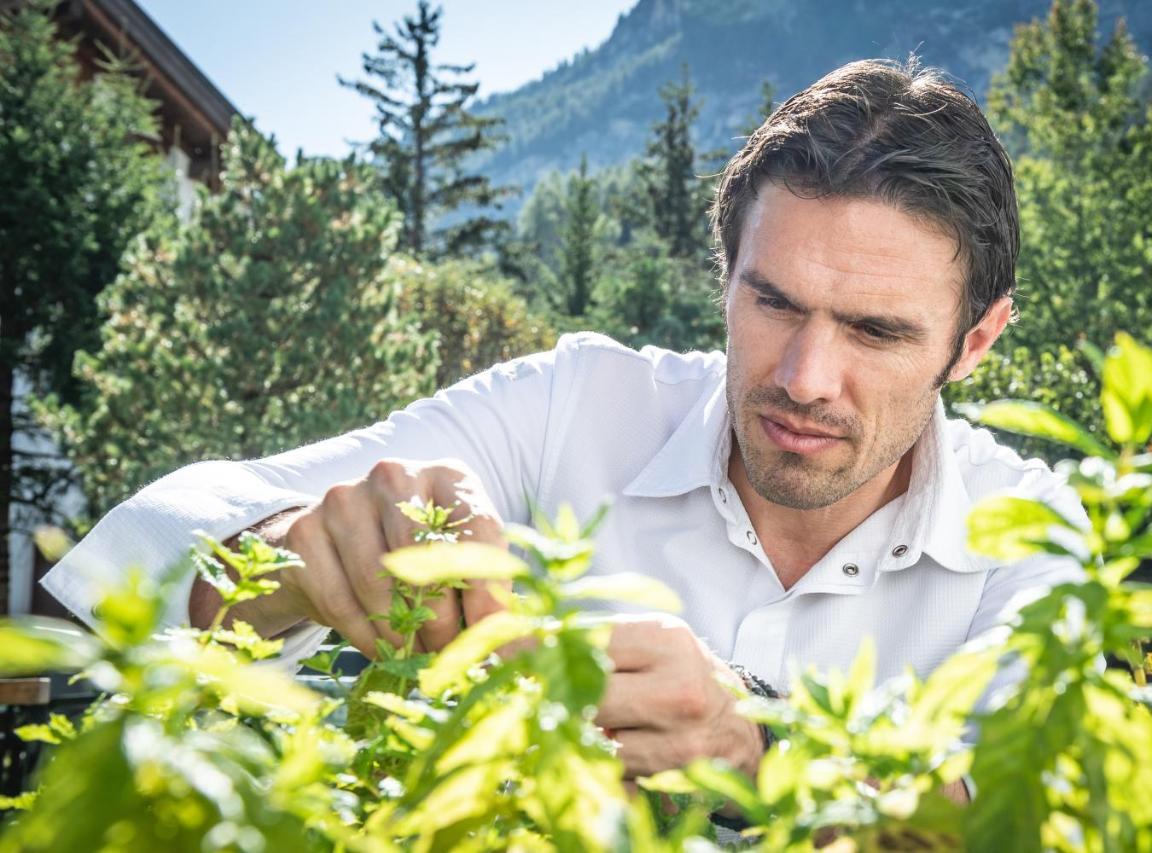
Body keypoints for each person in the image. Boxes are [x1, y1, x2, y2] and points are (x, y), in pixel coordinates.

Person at [41, 58, 1085, 804]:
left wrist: (754, 741)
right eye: (771, 303)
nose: (804, 377)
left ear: (975, 341)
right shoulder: (580, 402)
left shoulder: (1036, 532)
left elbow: (1006, 814)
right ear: (722, 276)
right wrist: (291, 559)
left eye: (873, 330)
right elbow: (152, 536)